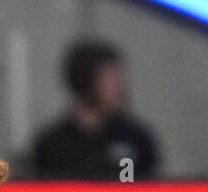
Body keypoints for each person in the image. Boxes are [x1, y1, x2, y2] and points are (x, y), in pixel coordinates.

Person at [31, 39, 160, 181]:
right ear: (84, 81)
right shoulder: (52, 145)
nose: (118, 87)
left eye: (118, 78)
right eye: (109, 78)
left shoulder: (136, 139)